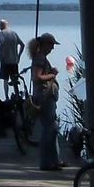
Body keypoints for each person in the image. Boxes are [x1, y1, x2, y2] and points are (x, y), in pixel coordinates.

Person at [29, 31, 63, 170]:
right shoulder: (40, 59)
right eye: (51, 45)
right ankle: (46, 162)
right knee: (48, 129)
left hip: (47, 96)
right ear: (45, 44)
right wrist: (52, 74)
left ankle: (55, 160)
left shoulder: (41, 58)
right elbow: (37, 77)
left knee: (52, 129)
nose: (53, 48)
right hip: (45, 96)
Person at [0, 19, 25, 99]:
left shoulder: (2, 33)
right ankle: (17, 95)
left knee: (5, 80)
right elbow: (22, 45)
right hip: (14, 61)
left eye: (0, 27)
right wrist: (18, 56)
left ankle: (6, 97)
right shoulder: (14, 33)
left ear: (2, 26)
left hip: (5, 61)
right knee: (15, 79)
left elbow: (2, 43)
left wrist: (1, 58)